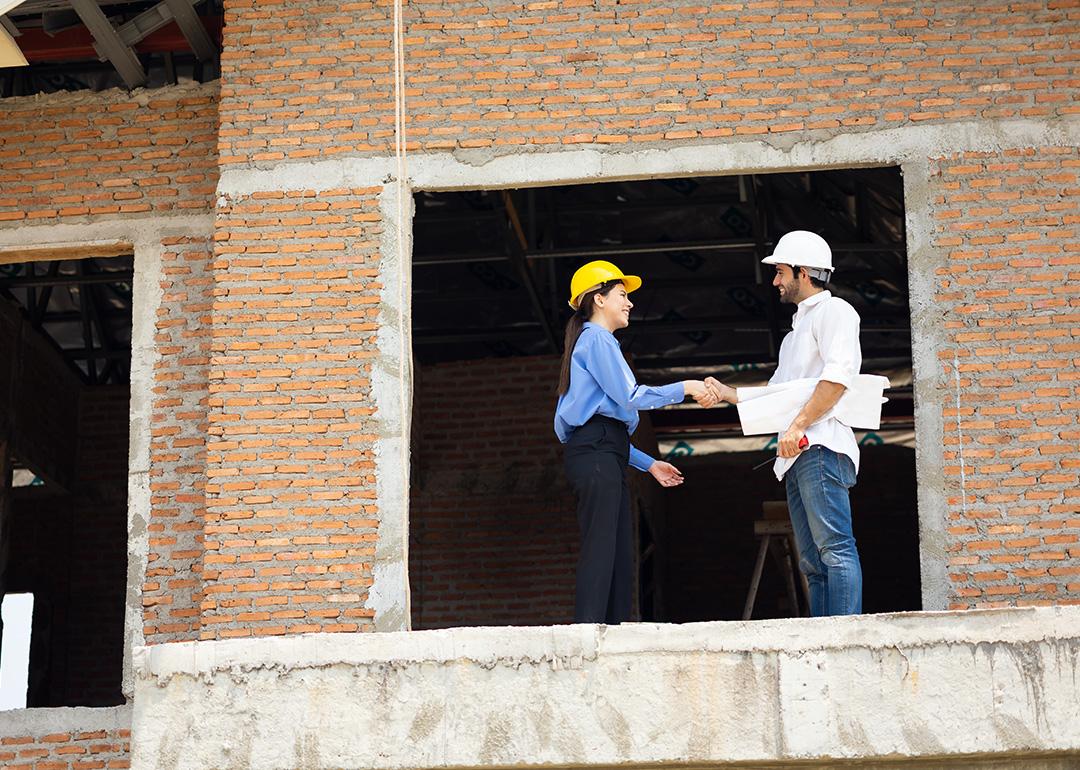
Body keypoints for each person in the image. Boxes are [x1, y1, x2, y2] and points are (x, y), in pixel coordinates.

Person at [706, 231, 864, 616]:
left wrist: (797, 427)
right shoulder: (795, 335)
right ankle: (824, 637)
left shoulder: (835, 312)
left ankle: (845, 635)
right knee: (812, 562)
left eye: (780, 272)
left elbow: (838, 379)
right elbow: (780, 393)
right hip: (797, 456)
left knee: (835, 549)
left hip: (820, 448)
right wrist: (732, 394)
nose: (775, 281)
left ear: (803, 273)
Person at [555, 260, 717, 624]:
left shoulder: (598, 342)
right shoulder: (596, 339)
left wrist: (649, 463)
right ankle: (588, 634)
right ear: (598, 299)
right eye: (623, 295)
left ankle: (611, 632)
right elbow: (628, 397)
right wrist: (686, 387)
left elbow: (607, 429)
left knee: (616, 549)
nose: (629, 303)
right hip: (595, 451)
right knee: (602, 547)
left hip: (604, 450)